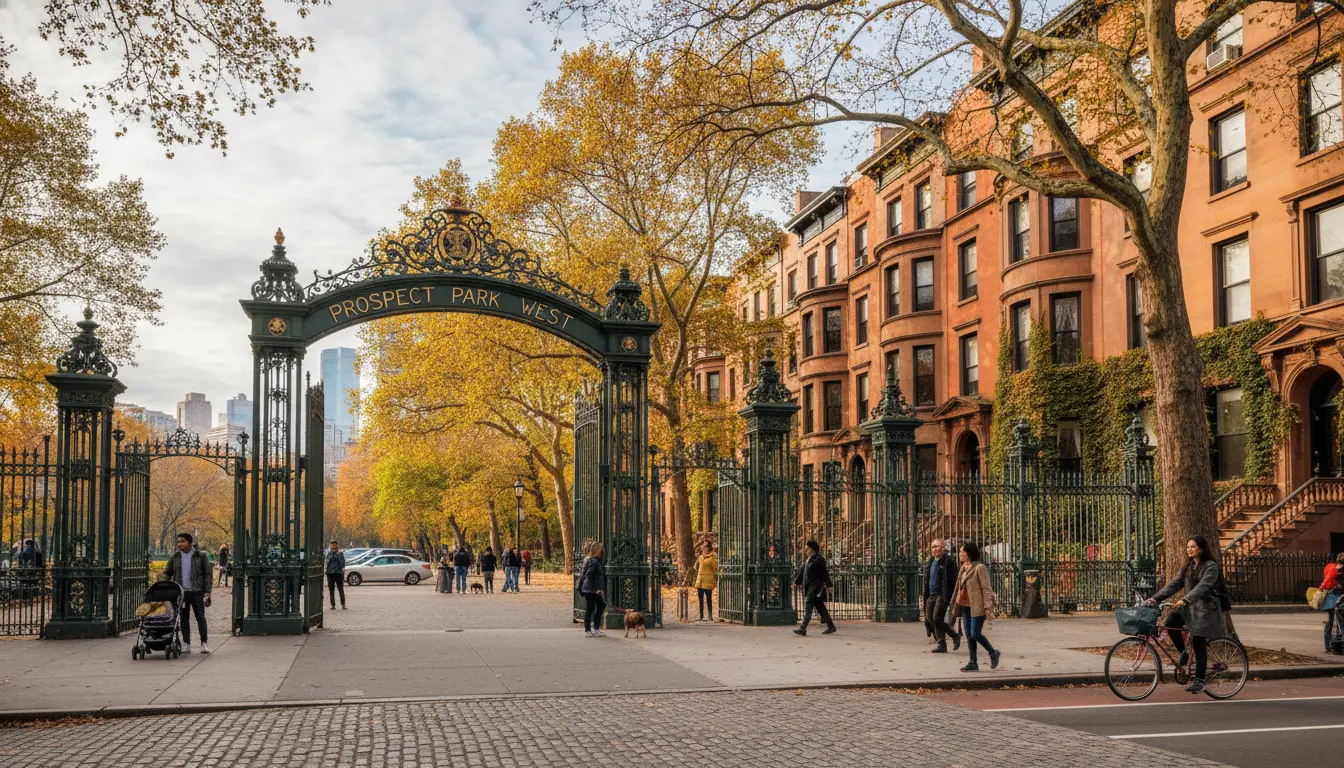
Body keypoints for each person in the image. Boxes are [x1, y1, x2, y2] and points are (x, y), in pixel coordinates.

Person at [1146, 536, 1226, 694]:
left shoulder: (1211, 567)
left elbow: (1203, 587)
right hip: (1189, 607)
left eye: (1193, 547)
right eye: (1188, 547)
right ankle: (1184, 654)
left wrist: (1186, 599)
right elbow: (1175, 584)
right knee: (1170, 623)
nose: (1189, 549)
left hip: (1206, 609)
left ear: (1201, 549)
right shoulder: (1188, 566)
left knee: (1198, 642)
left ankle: (1200, 681)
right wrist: (1156, 598)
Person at [953, 541, 1000, 672]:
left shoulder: (980, 568)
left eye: (962, 551)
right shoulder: (964, 567)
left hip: (977, 606)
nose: (960, 554)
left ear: (969, 553)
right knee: (968, 634)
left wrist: (988, 606)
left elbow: (986, 588)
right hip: (965, 605)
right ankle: (973, 662)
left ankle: (993, 652)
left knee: (975, 633)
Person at [163, 533, 212, 654]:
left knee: (200, 617)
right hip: (181, 593)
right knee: (184, 619)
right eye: (178, 541)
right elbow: (167, 572)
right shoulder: (175, 557)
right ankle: (186, 643)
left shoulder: (200, 556)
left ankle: (204, 643)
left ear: (190, 543)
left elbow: (207, 574)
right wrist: (166, 588)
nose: (179, 544)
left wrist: (207, 592)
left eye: (182, 541)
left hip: (196, 592)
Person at [924, 539, 962, 653]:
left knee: (937, 618)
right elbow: (927, 579)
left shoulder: (948, 562)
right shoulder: (931, 561)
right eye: (934, 547)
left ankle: (951, 637)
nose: (936, 549)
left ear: (943, 548)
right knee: (930, 618)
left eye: (939, 546)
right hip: (931, 594)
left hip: (942, 594)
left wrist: (953, 597)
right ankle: (945, 642)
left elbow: (955, 581)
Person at [792, 540, 836, 636]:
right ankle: (831, 627)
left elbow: (825, 573)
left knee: (808, 607)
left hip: (815, 587)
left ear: (811, 549)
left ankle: (803, 629)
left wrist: (829, 585)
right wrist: (796, 582)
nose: (805, 550)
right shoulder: (808, 560)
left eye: (806, 548)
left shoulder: (819, 559)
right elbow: (802, 573)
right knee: (820, 607)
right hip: (809, 587)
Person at [579, 542, 607, 636]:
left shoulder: (596, 561)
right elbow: (589, 575)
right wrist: (597, 589)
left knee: (598, 606)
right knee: (592, 608)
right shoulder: (594, 561)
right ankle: (590, 629)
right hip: (591, 589)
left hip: (591, 588)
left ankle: (594, 628)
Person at [1318, 552, 1343, 653]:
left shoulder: (1329, 567)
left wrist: (1322, 588)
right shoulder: (1334, 569)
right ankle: (1336, 644)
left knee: (1330, 621)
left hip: (1330, 597)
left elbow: (1326, 578)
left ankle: (1328, 646)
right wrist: (1322, 586)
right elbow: (1328, 579)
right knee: (1338, 622)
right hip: (1336, 597)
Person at [695, 542, 718, 621]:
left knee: (709, 599)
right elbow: (699, 564)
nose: (702, 547)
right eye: (702, 545)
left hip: (708, 581)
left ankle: (710, 615)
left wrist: (712, 556)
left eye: (704, 546)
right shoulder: (701, 557)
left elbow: (715, 567)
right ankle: (701, 616)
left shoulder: (713, 556)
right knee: (700, 599)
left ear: (708, 548)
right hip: (700, 580)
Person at [325, 541, 346, 609]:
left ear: (337, 546)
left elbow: (342, 563)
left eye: (334, 545)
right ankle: (333, 605)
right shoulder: (329, 554)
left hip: (338, 573)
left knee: (340, 589)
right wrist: (326, 571)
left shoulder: (340, 554)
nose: (333, 546)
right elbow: (326, 563)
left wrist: (342, 571)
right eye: (332, 545)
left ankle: (343, 604)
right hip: (330, 574)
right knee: (331, 590)